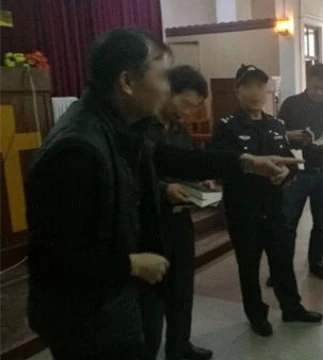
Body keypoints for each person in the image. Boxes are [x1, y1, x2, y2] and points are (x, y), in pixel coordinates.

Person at [26, 28, 300, 360]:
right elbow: (55, 255)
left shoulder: (118, 127)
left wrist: (246, 162)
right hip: (86, 316)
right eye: (162, 77)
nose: (168, 88)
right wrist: (129, 264)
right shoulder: (77, 148)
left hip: (107, 302)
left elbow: (173, 159)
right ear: (127, 82)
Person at [210, 65, 323, 337]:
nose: (255, 92)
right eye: (248, 86)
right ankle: (256, 314)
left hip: (275, 207)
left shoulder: (276, 125)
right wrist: (253, 169)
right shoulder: (227, 127)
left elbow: (290, 162)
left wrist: (285, 173)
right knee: (249, 266)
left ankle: (291, 307)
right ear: (238, 91)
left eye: (260, 86)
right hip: (243, 210)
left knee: (282, 261)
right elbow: (220, 166)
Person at [135, 65, 212, 360]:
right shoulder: (141, 128)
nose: (189, 113)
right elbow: (132, 177)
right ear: (170, 92)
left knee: (182, 287)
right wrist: (162, 189)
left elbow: (187, 163)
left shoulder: (179, 129)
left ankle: (180, 345)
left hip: (180, 219)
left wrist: (199, 179)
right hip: (149, 225)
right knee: (152, 297)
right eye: (187, 104)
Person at [277, 63, 323, 281]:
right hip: (296, 171)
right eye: (315, 87)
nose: (319, 93)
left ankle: (316, 262)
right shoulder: (291, 104)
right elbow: (276, 134)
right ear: (308, 82)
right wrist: (290, 135)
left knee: (320, 223)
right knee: (288, 222)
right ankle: (282, 267)